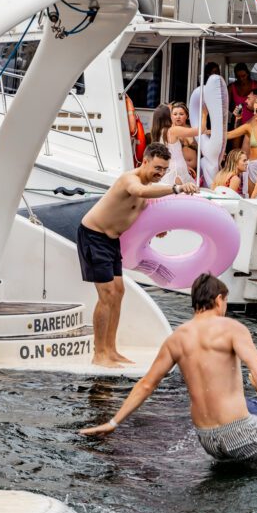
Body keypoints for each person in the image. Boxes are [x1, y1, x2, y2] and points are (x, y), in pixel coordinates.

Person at [80, 273, 257, 470]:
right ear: (218, 300)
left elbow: (146, 385)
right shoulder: (232, 328)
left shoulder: (176, 339)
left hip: (206, 439)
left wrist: (113, 423)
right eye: (225, 302)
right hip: (239, 432)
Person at [77, 143, 198, 367]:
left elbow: (137, 211)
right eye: (157, 168)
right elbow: (139, 192)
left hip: (112, 241)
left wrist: (156, 231)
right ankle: (99, 353)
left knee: (119, 292)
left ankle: (111, 350)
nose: (160, 173)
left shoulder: (150, 187)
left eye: (164, 170)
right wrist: (177, 188)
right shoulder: (129, 179)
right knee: (107, 294)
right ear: (145, 161)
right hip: (94, 236)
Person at [151, 103, 207, 186]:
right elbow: (201, 130)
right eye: (172, 113)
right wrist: (204, 114)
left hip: (170, 170)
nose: (174, 116)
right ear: (167, 116)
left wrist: (185, 166)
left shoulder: (159, 132)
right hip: (177, 172)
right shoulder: (172, 131)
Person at [170, 102, 198, 180]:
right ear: (171, 116)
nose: (178, 117)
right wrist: (184, 167)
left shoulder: (193, 130)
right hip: (179, 171)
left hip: (196, 172)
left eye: (181, 114)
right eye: (175, 114)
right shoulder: (170, 132)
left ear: (187, 116)